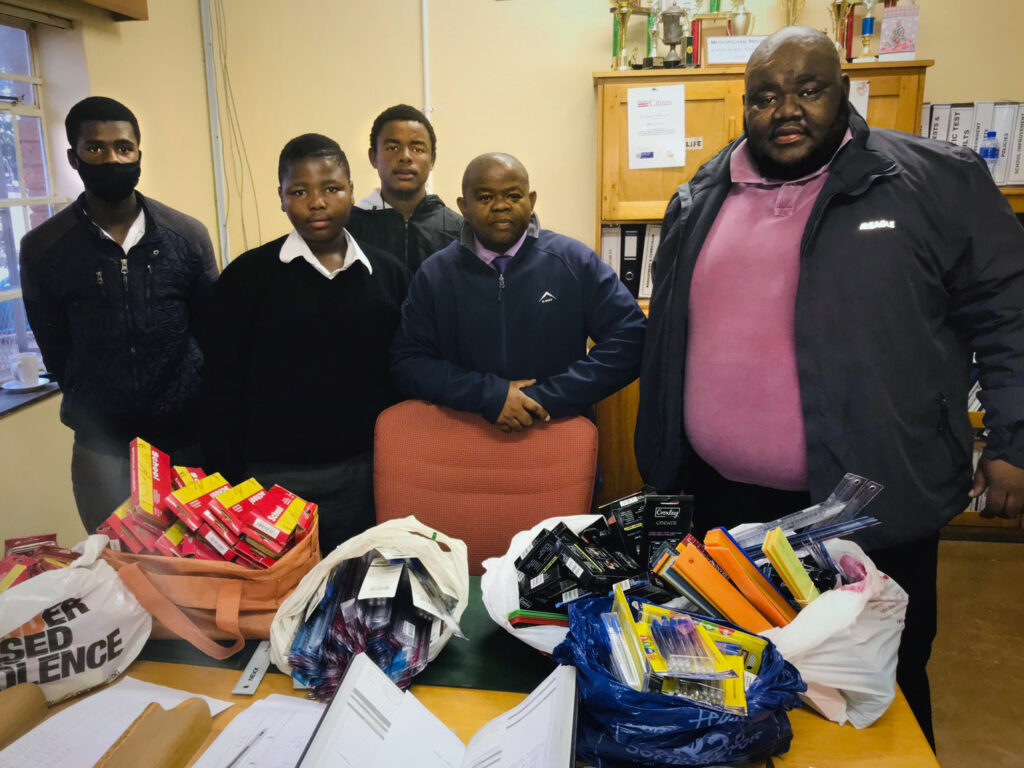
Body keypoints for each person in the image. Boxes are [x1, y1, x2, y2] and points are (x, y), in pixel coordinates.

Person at [634, 27, 1024, 749]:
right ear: (743, 107)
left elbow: (1010, 314)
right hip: (726, 504)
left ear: (845, 91)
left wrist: (1014, 440)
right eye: (766, 96)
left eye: (808, 89)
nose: (787, 110)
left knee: (878, 690)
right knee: (740, 681)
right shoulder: (701, 193)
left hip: (867, 502)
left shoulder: (933, 181)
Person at [202, 133, 409, 554]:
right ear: (280, 197)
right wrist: (226, 483)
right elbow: (220, 386)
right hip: (271, 480)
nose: (317, 202)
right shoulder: (246, 279)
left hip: (366, 475)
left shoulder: (388, 275)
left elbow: (403, 373)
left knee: (357, 597)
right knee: (278, 602)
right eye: (300, 191)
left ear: (352, 191)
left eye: (331, 188)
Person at [19, 96, 217, 534]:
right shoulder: (44, 248)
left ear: (138, 154)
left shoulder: (186, 236)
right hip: (102, 450)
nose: (112, 158)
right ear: (74, 157)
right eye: (96, 149)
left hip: (185, 442)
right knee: (115, 571)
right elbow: (55, 347)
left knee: (199, 571)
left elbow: (212, 331)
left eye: (123, 148)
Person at [391, 152, 646, 432]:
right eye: (485, 197)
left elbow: (632, 337)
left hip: (558, 434)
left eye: (513, 196)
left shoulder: (574, 261)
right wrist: (489, 395)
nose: (500, 206)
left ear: (531, 200)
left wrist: (545, 397)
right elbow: (409, 362)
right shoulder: (435, 274)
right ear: (464, 206)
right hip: (466, 436)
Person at [345, 104, 462, 272]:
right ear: (373, 157)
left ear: (432, 160)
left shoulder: (459, 230)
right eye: (392, 148)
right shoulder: (348, 229)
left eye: (417, 149)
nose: (405, 157)